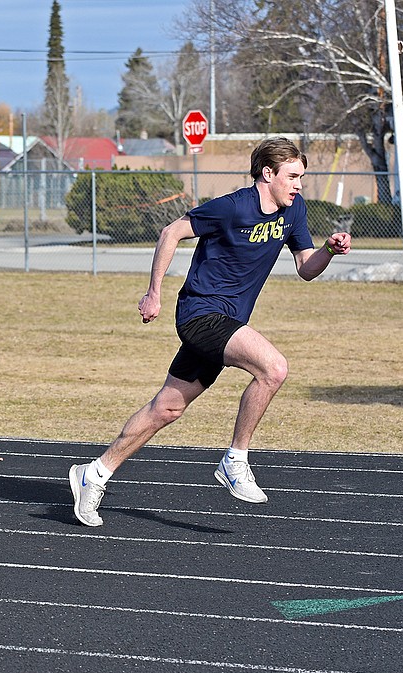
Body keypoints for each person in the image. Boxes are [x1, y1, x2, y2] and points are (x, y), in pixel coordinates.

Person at [68, 137, 352, 527]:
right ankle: (235, 460)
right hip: (200, 314)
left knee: (166, 408)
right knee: (274, 369)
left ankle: (94, 473)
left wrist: (329, 251)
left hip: (229, 322)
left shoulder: (293, 210)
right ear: (267, 174)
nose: (299, 184)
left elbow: (306, 267)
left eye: (301, 176)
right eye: (293, 176)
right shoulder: (232, 207)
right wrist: (154, 293)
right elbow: (170, 232)